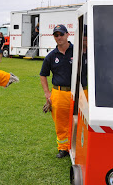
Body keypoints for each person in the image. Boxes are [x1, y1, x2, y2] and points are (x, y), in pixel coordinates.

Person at [40, 24, 73, 158]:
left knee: (79, 121)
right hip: (59, 93)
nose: (59, 37)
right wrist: (47, 93)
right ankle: (63, 148)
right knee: (61, 123)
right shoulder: (51, 56)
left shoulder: (78, 51)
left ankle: (77, 147)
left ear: (67, 35)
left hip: (79, 93)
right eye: (56, 35)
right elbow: (43, 75)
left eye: (61, 34)